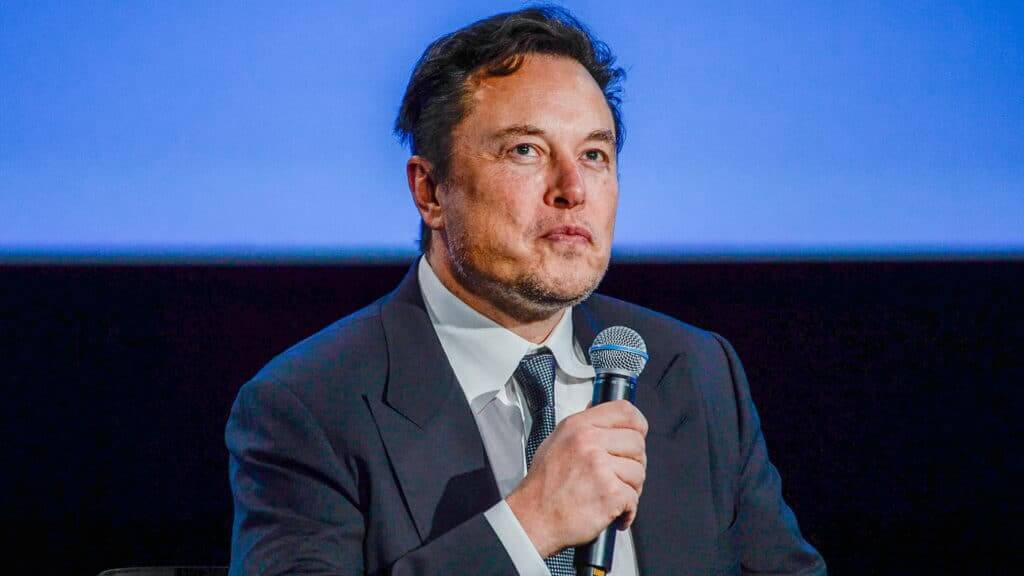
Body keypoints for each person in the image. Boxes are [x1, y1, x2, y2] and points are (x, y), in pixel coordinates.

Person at [226, 7, 826, 575]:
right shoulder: (309, 405)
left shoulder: (694, 371)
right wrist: (529, 524)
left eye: (594, 154)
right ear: (430, 191)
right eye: (525, 150)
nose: (573, 188)